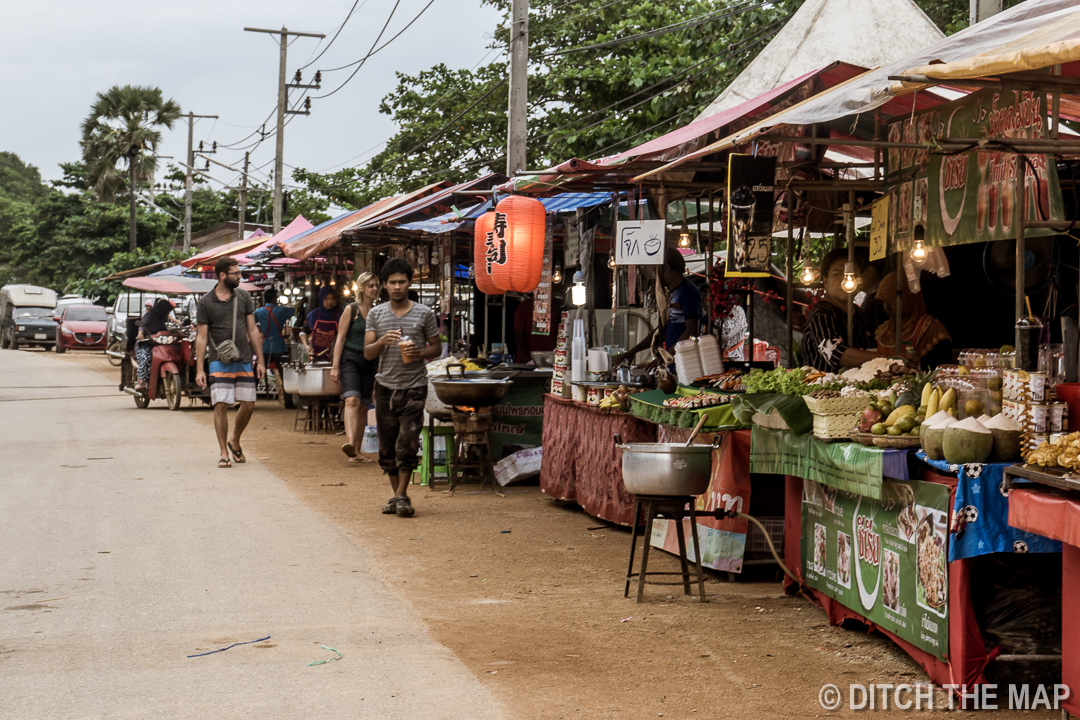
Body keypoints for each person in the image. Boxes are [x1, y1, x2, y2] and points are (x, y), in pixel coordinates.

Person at [364, 257, 441, 518]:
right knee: (386, 447)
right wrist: (382, 342)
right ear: (384, 285)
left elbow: (437, 347)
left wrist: (420, 353)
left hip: (415, 386)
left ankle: (401, 496)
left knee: (407, 441)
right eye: (392, 282)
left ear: (410, 283)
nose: (397, 286)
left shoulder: (424, 313)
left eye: (402, 281)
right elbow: (367, 353)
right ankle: (398, 494)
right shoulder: (376, 314)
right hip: (385, 386)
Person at [195, 257, 266, 469]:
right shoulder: (205, 302)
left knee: (249, 404)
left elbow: (252, 330)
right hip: (219, 359)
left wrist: (260, 359)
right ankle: (223, 451)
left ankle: (234, 438)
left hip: (244, 358)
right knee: (221, 405)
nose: (239, 276)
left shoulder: (244, 297)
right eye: (235, 273)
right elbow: (201, 337)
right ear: (222, 275)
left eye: (239, 273)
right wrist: (200, 368)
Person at [802, 248, 894, 373]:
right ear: (826, 281)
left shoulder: (858, 312)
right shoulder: (821, 314)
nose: (844, 280)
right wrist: (887, 358)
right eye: (837, 274)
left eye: (851, 274)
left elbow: (869, 348)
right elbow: (835, 353)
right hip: (823, 388)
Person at [614, 247, 702, 366]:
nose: (655, 276)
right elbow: (662, 330)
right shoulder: (673, 293)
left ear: (667, 268)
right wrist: (633, 351)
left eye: (657, 270)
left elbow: (692, 331)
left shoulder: (687, 291)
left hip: (686, 365)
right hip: (673, 366)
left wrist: (666, 357)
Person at [331, 271, 380, 464]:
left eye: (376, 285)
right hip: (350, 358)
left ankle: (357, 452)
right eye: (371, 286)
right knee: (352, 399)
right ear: (362, 288)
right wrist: (335, 366)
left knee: (363, 406)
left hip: (370, 361)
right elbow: (340, 338)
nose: (375, 289)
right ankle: (350, 443)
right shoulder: (352, 310)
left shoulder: (378, 312)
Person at [875, 271, 952, 369]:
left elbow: (942, 370)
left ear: (907, 297)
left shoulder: (932, 329)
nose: (886, 308)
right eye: (883, 303)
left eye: (890, 302)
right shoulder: (883, 330)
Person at [133, 298, 173, 392]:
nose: (168, 313)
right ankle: (141, 380)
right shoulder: (149, 315)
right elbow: (141, 326)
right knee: (147, 357)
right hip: (146, 343)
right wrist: (140, 334)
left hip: (159, 344)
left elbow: (164, 329)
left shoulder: (163, 318)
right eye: (167, 311)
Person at [253, 289, 295, 372]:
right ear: (273, 299)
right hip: (279, 347)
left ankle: (253, 384)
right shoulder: (282, 310)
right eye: (276, 297)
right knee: (285, 374)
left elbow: (251, 323)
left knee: (257, 372)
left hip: (265, 347)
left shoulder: (259, 312)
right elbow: (295, 310)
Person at [300, 287, 339, 361]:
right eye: (326, 299)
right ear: (321, 299)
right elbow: (303, 331)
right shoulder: (313, 315)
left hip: (335, 358)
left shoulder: (340, 315)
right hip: (316, 357)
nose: (330, 302)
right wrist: (307, 346)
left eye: (332, 299)